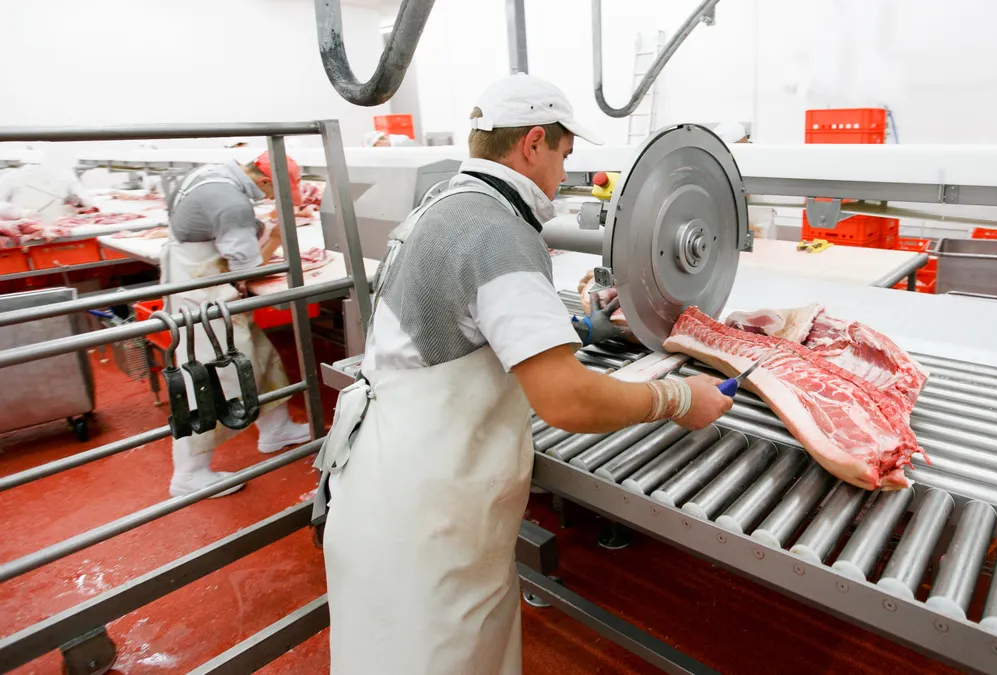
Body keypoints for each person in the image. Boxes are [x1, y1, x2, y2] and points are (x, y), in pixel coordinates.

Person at [317, 73, 733, 675]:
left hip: (378, 490)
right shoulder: (497, 232)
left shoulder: (440, 207)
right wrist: (675, 398)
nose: (563, 172)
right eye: (564, 154)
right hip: (430, 526)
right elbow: (565, 401)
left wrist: (579, 332)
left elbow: (453, 324)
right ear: (533, 142)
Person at [162, 152, 311, 497]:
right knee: (209, 379)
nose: (275, 200)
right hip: (202, 296)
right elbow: (248, 268)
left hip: (204, 284)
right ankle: (188, 474)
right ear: (263, 181)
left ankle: (276, 430)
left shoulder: (214, 174)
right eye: (277, 193)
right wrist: (274, 239)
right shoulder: (233, 204)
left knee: (258, 356)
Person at [0, 163, 95, 221]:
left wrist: (78, 202)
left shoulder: (65, 175)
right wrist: (21, 213)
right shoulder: (11, 177)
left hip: (64, 230)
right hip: (28, 231)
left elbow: (88, 203)